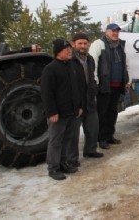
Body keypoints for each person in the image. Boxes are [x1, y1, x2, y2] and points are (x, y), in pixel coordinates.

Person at [41, 38, 84, 180]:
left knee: (68, 139)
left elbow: (76, 89)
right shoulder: (50, 69)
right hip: (58, 114)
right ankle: (53, 168)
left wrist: (79, 106)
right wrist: (52, 112)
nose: (70, 51)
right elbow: (47, 93)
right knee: (56, 141)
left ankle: (63, 163)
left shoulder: (71, 66)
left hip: (71, 111)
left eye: (70, 49)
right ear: (59, 52)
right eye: (67, 49)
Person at [89, 23, 130, 150]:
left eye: (117, 31)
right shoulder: (98, 44)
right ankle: (101, 138)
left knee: (113, 112)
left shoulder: (121, 46)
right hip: (104, 86)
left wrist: (129, 80)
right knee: (102, 112)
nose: (115, 33)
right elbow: (92, 63)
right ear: (106, 32)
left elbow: (127, 64)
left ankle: (110, 135)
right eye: (112, 31)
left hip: (118, 85)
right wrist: (95, 80)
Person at [67, 33, 104, 168]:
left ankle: (90, 150)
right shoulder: (69, 60)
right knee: (74, 133)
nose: (83, 46)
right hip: (76, 102)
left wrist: (94, 91)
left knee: (93, 127)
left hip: (90, 99)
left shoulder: (90, 59)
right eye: (80, 43)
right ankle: (72, 159)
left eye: (85, 43)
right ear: (73, 44)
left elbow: (92, 77)